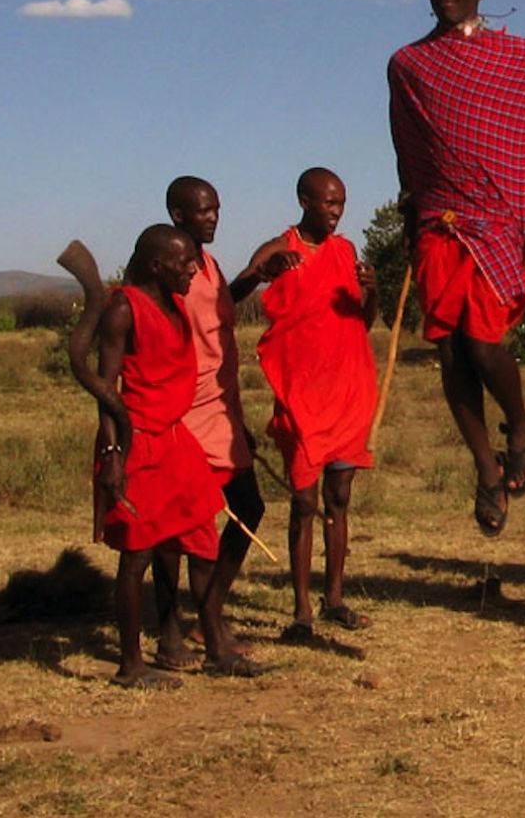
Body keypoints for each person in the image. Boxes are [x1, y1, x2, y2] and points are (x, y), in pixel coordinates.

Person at [388, 0, 525, 537]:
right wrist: (412, 209)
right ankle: (487, 469)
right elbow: (406, 144)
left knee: (484, 345)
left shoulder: (514, 55)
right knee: (452, 352)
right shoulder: (409, 64)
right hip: (440, 224)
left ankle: (523, 426)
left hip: (504, 221)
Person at [94, 225, 261, 685]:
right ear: (155, 265)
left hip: (176, 440)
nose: (194, 268)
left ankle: (214, 644)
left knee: (203, 538)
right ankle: (131, 665)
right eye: (184, 262)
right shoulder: (123, 309)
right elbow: (106, 391)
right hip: (138, 443)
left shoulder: (176, 301)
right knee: (138, 556)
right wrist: (112, 455)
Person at [239, 168, 379, 642]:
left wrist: (373, 288)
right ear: (304, 200)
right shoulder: (280, 249)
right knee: (304, 500)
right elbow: (233, 294)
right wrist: (262, 273)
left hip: (347, 389)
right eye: (328, 203)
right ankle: (301, 609)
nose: (337, 212)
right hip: (302, 395)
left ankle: (334, 598)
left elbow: (363, 319)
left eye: (341, 203)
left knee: (340, 499)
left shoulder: (345, 252)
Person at [149, 176, 267, 667]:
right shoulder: (172, 270)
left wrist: (253, 276)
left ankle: (208, 612)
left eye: (217, 209)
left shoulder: (208, 264)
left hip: (221, 406)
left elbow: (217, 317)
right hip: (185, 411)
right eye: (203, 211)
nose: (213, 218)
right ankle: (173, 631)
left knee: (248, 507)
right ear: (178, 214)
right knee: (180, 526)